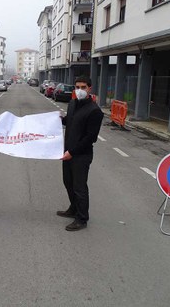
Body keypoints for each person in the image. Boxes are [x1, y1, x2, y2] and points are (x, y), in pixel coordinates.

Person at [59, 76, 103, 231]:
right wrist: (57, 120)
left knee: (79, 187)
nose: (80, 90)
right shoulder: (72, 104)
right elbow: (69, 121)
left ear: (89, 88)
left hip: (81, 155)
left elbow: (91, 137)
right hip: (67, 153)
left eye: (83, 87)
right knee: (68, 182)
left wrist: (73, 151)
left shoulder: (95, 111)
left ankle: (82, 218)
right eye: (77, 87)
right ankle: (73, 208)